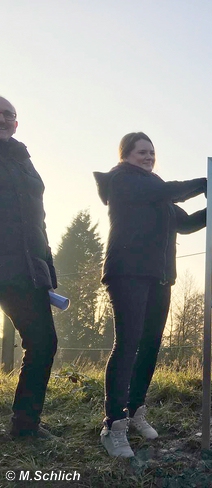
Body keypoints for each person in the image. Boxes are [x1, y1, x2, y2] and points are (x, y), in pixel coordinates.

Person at [93, 132, 207, 457]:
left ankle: (135, 411)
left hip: (160, 278)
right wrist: (206, 182)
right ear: (125, 155)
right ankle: (113, 425)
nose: (148, 157)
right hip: (128, 273)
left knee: (150, 347)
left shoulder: (158, 194)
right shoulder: (122, 181)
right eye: (142, 151)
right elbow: (170, 190)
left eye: (152, 153)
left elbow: (185, 224)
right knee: (127, 345)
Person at [0, 96, 58, 439]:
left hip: (26, 269)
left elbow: (40, 219)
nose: (4, 119)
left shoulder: (24, 160)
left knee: (43, 342)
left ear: (17, 123)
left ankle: (24, 424)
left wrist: (47, 269)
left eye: (9, 115)